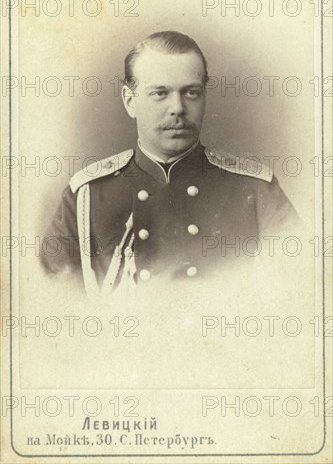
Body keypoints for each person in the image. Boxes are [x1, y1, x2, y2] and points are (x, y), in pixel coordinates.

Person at [41, 31, 300, 297]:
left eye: (191, 92)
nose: (177, 107)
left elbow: (299, 292)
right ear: (130, 101)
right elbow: (56, 303)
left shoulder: (255, 190)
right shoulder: (86, 195)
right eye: (160, 93)